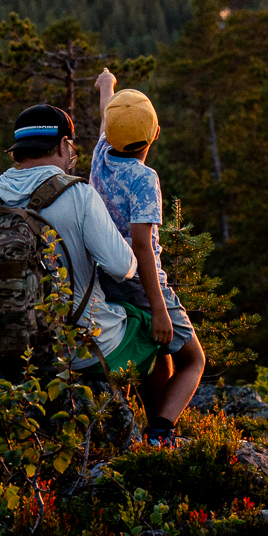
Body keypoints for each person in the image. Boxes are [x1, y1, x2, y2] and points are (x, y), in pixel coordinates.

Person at [0, 103, 137, 391]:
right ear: (62, 145)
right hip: (72, 351)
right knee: (149, 327)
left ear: (18, 150)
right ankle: (159, 430)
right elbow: (123, 267)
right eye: (69, 146)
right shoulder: (79, 194)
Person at [91, 71, 207, 445]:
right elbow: (142, 244)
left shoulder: (100, 153)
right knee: (193, 360)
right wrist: (158, 306)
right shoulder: (144, 178)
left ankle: (153, 422)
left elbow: (104, 115)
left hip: (106, 279)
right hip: (143, 284)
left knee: (158, 354)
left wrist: (106, 86)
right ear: (155, 134)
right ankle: (161, 431)